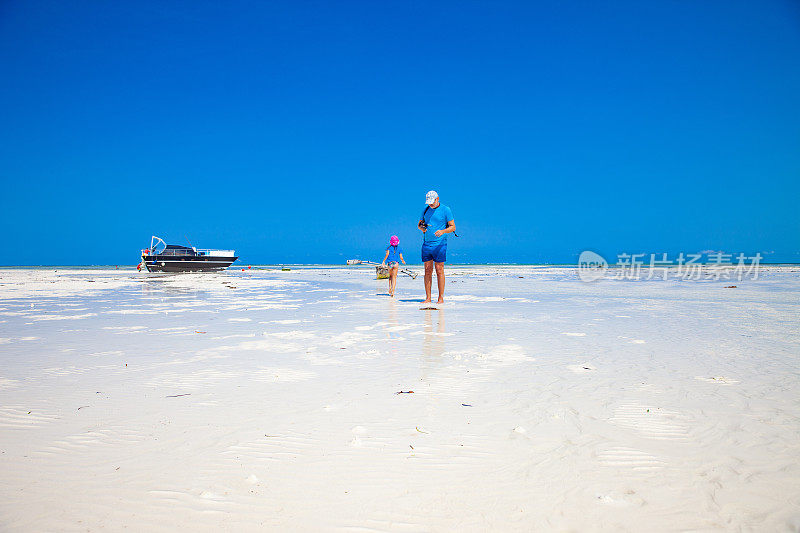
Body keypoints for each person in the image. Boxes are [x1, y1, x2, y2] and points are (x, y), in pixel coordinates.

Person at [417, 190, 455, 303]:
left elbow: (453, 227)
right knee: (427, 270)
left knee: (439, 270)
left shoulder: (446, 209)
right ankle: (428, 298)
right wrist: (422, 228)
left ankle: (440, 298)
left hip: (440, 244)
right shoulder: (425, 209)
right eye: (429, 202)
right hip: (427, 244)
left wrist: (443, 231)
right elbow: (419, 225)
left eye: (432, 202)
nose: (430, 204)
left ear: (437, 199)